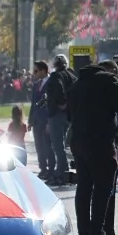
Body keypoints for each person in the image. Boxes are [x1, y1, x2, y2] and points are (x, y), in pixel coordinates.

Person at [68, 60, 118, 235]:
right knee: (103, 187)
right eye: (116, 72)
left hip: (79, 141)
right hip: (100, 141)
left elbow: (69, 115)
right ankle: (97, 234)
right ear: (110, 70)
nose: (117, 76)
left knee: (84, 188)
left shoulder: (77, 84)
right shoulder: (108, 80)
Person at [45, 54, 77, 186]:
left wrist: (62, 102)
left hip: (57, 114)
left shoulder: (55, 76)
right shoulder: (72, 76)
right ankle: (62, 171)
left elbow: (58, 90)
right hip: (69, 115)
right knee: (62, 144)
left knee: (58, 145)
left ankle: (61, 173)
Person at [28, 61, 53, 179]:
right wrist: (30, 120)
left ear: (43, 71)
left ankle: (51, 169)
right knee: (39, 146)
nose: (34, 74)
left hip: (46, 120)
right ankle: (43, 168)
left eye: (36, 71)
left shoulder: (51, 83)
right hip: (37, 120)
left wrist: (49, 122)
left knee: (47, 145)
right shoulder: (36, 85)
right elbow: (33, 104)